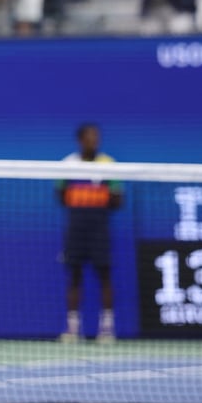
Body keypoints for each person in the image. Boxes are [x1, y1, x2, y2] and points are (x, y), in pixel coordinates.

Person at [57, 123, 120, 344]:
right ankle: (73, 329)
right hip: (76, 229)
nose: (94, 140)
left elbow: (118, 198)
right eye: (90, 137)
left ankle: (107, 329)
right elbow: (61, 195)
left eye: (97, 136)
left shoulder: (108, 164)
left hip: (99, 229)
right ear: (81, 140)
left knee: (105, 277)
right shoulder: (69, 164)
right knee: (74, 277)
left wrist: (97, 201)